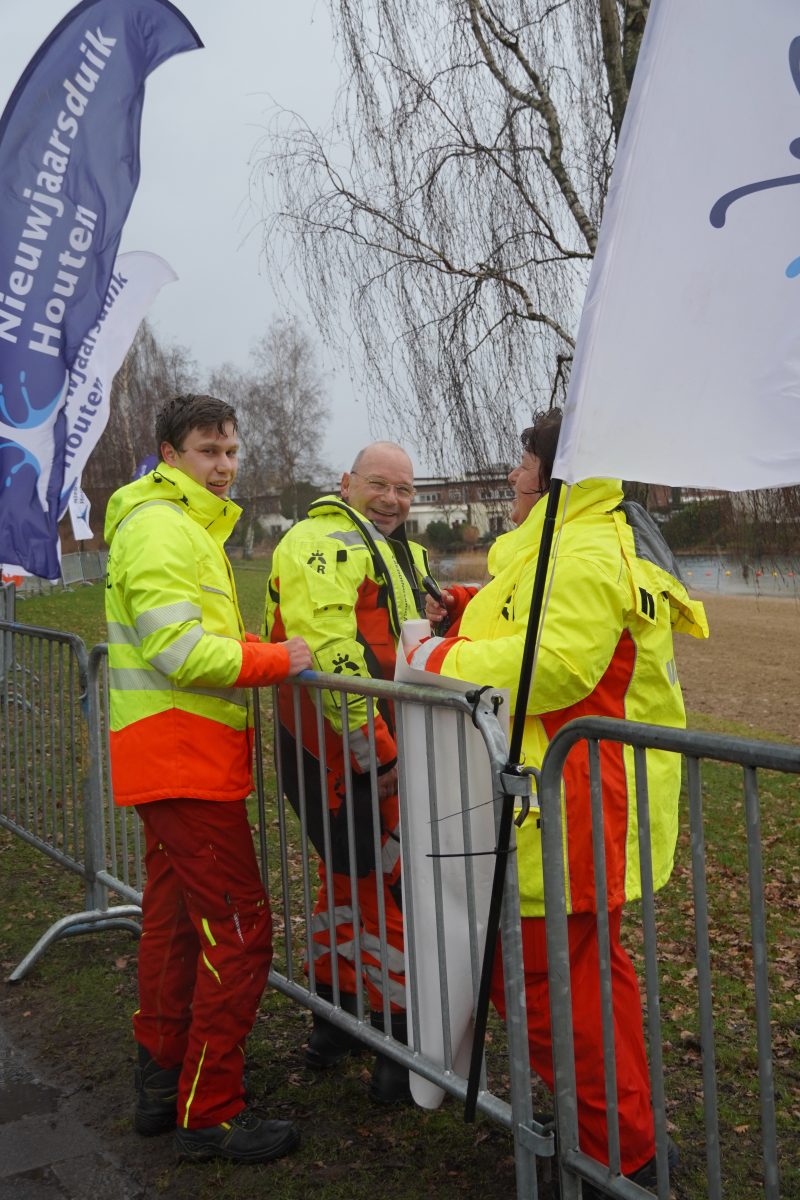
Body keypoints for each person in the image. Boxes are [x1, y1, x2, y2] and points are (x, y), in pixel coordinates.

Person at [411, 408, 708, 1193]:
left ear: (554, 470)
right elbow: (528, 617)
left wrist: (441, 656)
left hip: (573, 800)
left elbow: (560, 663)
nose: (513, 475)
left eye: (523, 462)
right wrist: (465, 607)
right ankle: (622, 1143)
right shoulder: (563, 541)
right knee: (577, 977)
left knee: (551, 985)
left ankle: (618, 1157)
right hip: (563, 795)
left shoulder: (582, 548)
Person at [104, 394, 313, 1164]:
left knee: (172, 926)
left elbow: (194, 636)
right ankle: (210, 1109)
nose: (224, 466)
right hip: (182, 762)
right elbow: (180, 652)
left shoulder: (179, 523)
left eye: (230, 452)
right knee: (241, 931)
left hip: (173, 759)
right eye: (208, 451)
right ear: (170, 454)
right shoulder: (163, 525)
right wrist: (277, 659)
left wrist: (249, 645)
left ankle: (162, 1084)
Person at [264, 441, 433, 1103]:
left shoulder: (393, 549)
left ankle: (333, 1022)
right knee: (387, 886)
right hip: (342, 748)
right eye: (379, 485)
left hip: (359, 746)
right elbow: (331, 652)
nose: (393, 499)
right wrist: (377, 751)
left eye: (405, 489)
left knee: (347, 879)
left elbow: (398, 636)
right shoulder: (322, 542)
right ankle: (398, 1048)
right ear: (346, 482)